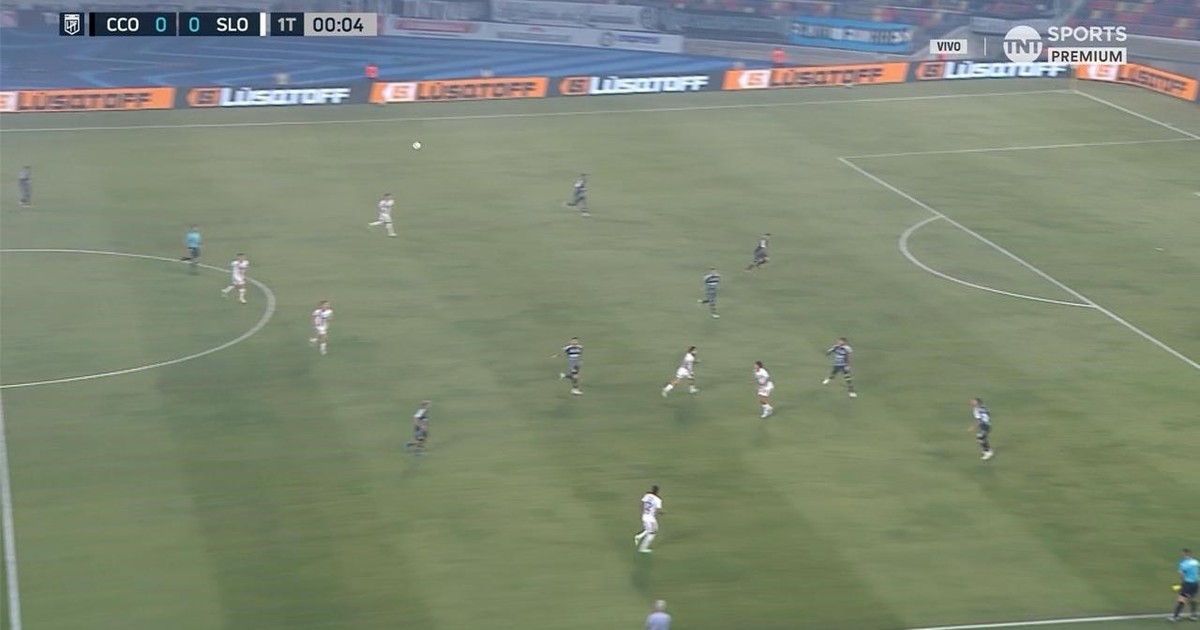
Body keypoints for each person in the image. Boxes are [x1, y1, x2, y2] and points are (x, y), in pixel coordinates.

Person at [1171, 548, 1199, 622]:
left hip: (1187, 583)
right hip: (1195, 583)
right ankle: (1194, 615)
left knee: (1182, 599)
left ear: (1184, 554)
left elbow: (1182, 575)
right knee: (1192, 598)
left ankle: (1175, 616)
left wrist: (1182, 584)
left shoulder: (1183, 563)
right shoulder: (1196, 562)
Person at [634, 485, 663, 554]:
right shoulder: (658, 499)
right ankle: (642, 548)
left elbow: (642, 503)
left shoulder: (647, 495)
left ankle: (638, 536)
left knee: (654, 530)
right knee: (651, 533)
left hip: (646, 516)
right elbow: (658, 511)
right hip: (650, 518)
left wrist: (642, 511)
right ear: (658, 491)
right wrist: (662, 513)